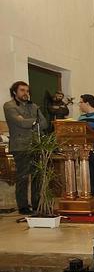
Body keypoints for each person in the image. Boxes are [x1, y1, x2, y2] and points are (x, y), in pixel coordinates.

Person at [3, 81, 48, 214]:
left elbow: (44, 124)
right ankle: (23, 206)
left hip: (35, 144)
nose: (25, 93)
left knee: (37, 176)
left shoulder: (34, 106)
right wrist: (34, 121)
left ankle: (36, 204)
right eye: (22, 90)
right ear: (14, 92)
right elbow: (20, 122)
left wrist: (30, 121)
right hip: (20, 146)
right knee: (22, 176)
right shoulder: (9, 106)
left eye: (27, 91)